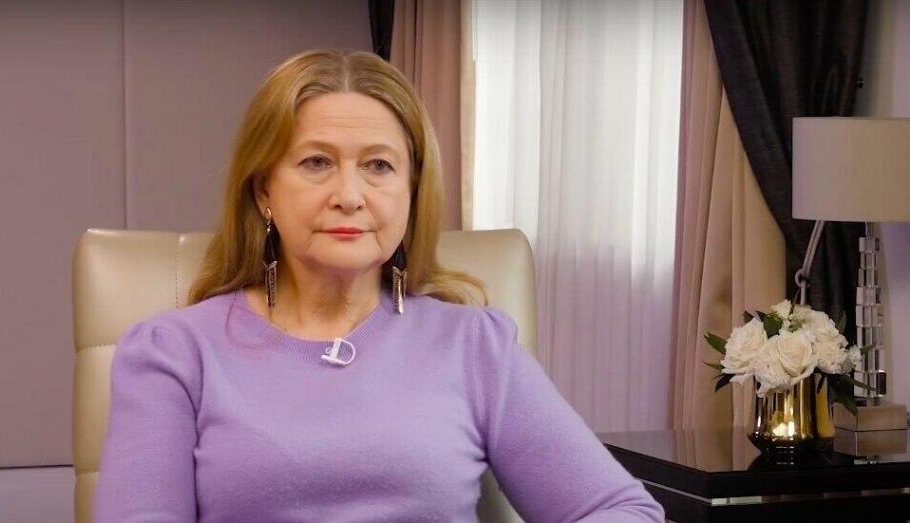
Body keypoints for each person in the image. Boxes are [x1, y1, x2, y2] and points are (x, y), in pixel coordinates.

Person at [94, 48, 664, 522]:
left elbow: (619, 509)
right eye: (316, 162)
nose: (350, 195)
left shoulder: (475, 346)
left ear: (412, 191)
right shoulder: (172, 353)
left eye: (379, 166)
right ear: (264, 189)